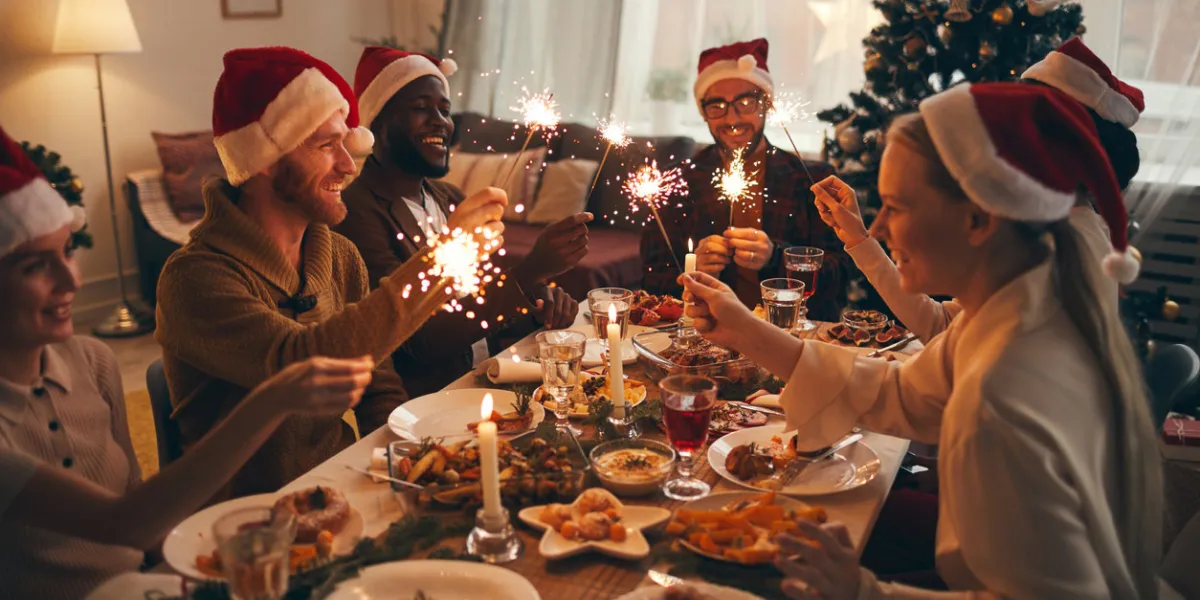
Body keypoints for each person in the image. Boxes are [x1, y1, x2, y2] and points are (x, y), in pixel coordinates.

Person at [680, 83, 1160, 598]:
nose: (881, 227)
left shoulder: (1006, 390)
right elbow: (903, 393)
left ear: (978, 219)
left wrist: (863, 591)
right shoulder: (1008, 309)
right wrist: (746, 330)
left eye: (896, 206)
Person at [0, 124, 373, 599]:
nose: (71, 281)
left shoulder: (92, 361)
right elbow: (126, 523)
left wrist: (209, 571)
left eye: (67, 251)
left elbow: (141, 512)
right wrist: (273, 399)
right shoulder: (197, 275)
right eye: (35, 266)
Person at [155, 47, 506, 500]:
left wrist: (409, 469)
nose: (347, 164)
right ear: (264, 157)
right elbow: (302, 363)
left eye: (345, 143)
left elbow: (378, 387)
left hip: (339, 487)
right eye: (325, 145)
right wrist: (441, 261)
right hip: (247, 521)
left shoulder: (339, 255)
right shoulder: (195, 277)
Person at [812, 37, 1143, 342]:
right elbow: (944, 325)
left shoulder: (1064, 249)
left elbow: (955, 346)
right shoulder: (1044, 224)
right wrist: (859, 240)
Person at [337, 47, 585, 397]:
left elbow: (484, 306)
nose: (440, 121)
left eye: (445, 109)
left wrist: (538, 302)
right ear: (376, 121)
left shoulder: (450, 198)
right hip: (428, 406)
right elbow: (418, 340)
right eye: (421, 108)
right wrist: (529, 270)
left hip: (489, 386)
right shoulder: (356, 212)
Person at [640, 38, 848, 320]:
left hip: (791, 335)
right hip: (708, 332)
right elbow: (651, 283)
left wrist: (777, 258)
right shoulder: (676, 182)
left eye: (746, 102)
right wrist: (693, 271)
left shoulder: (812, 180)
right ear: (703, 113)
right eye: (717, 106)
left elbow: (841, 278)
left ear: (767, 105)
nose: (732, 119)